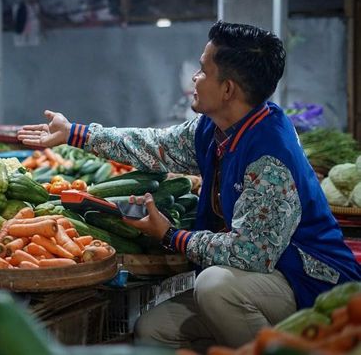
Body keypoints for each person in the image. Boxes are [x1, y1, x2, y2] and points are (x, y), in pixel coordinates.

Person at [18, 21, 361, 351]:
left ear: (228, 90)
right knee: (155, 331)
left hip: (308, 282)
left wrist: (170, 235)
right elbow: (154, 146)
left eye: (202, 70)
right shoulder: (216, 128)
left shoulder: (270, 157)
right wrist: (75, 133)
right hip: (266, 278)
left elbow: (251, 254)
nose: (195, 79)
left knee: (214, 288)